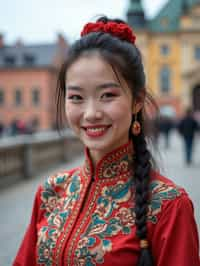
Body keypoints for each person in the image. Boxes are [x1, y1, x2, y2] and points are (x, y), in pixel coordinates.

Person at [13, 16, 200, 266]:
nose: (91, 113)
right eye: (77, 97)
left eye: (107, 95)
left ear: (137, 100)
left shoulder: (168, 205)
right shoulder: (51, 192)